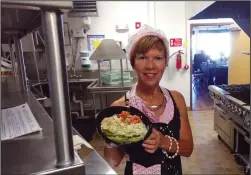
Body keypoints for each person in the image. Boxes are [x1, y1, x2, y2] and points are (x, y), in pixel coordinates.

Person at [104, 25, 194, 175]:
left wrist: (164, 142)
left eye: (158, 58)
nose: (150, 66)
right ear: (133, 63)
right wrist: (110, 135)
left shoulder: (176, 99)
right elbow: (113, 161)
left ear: (165, 63)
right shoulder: (122, 107)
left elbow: (188, 149)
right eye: (142, 57)